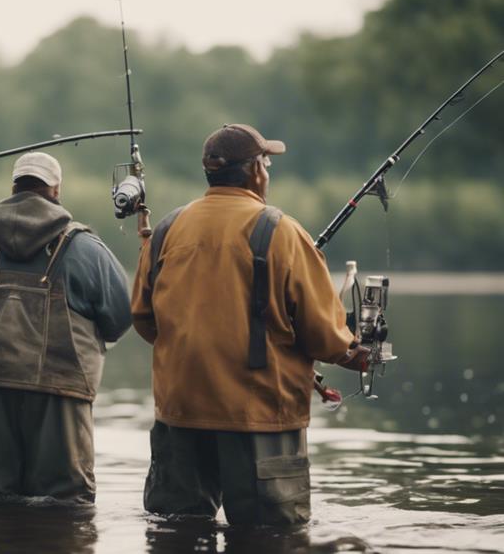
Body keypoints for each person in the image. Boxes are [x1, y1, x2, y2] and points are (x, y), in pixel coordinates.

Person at [131, 124, 370, 525]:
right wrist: (350, 352)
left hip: (180, 411)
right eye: (267, 163)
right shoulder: (284, 232)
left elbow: (142, 317)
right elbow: (324, 335)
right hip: (259, 414)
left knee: (176, 532)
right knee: (271, 535)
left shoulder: (167, 230)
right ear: (256, 170)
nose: (268, 173)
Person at [0, 151, 132, 504]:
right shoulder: (87, 251)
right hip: (60, 398)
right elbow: (119, 319)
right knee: (63, 508)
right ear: (55, 191)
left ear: (13, 187)